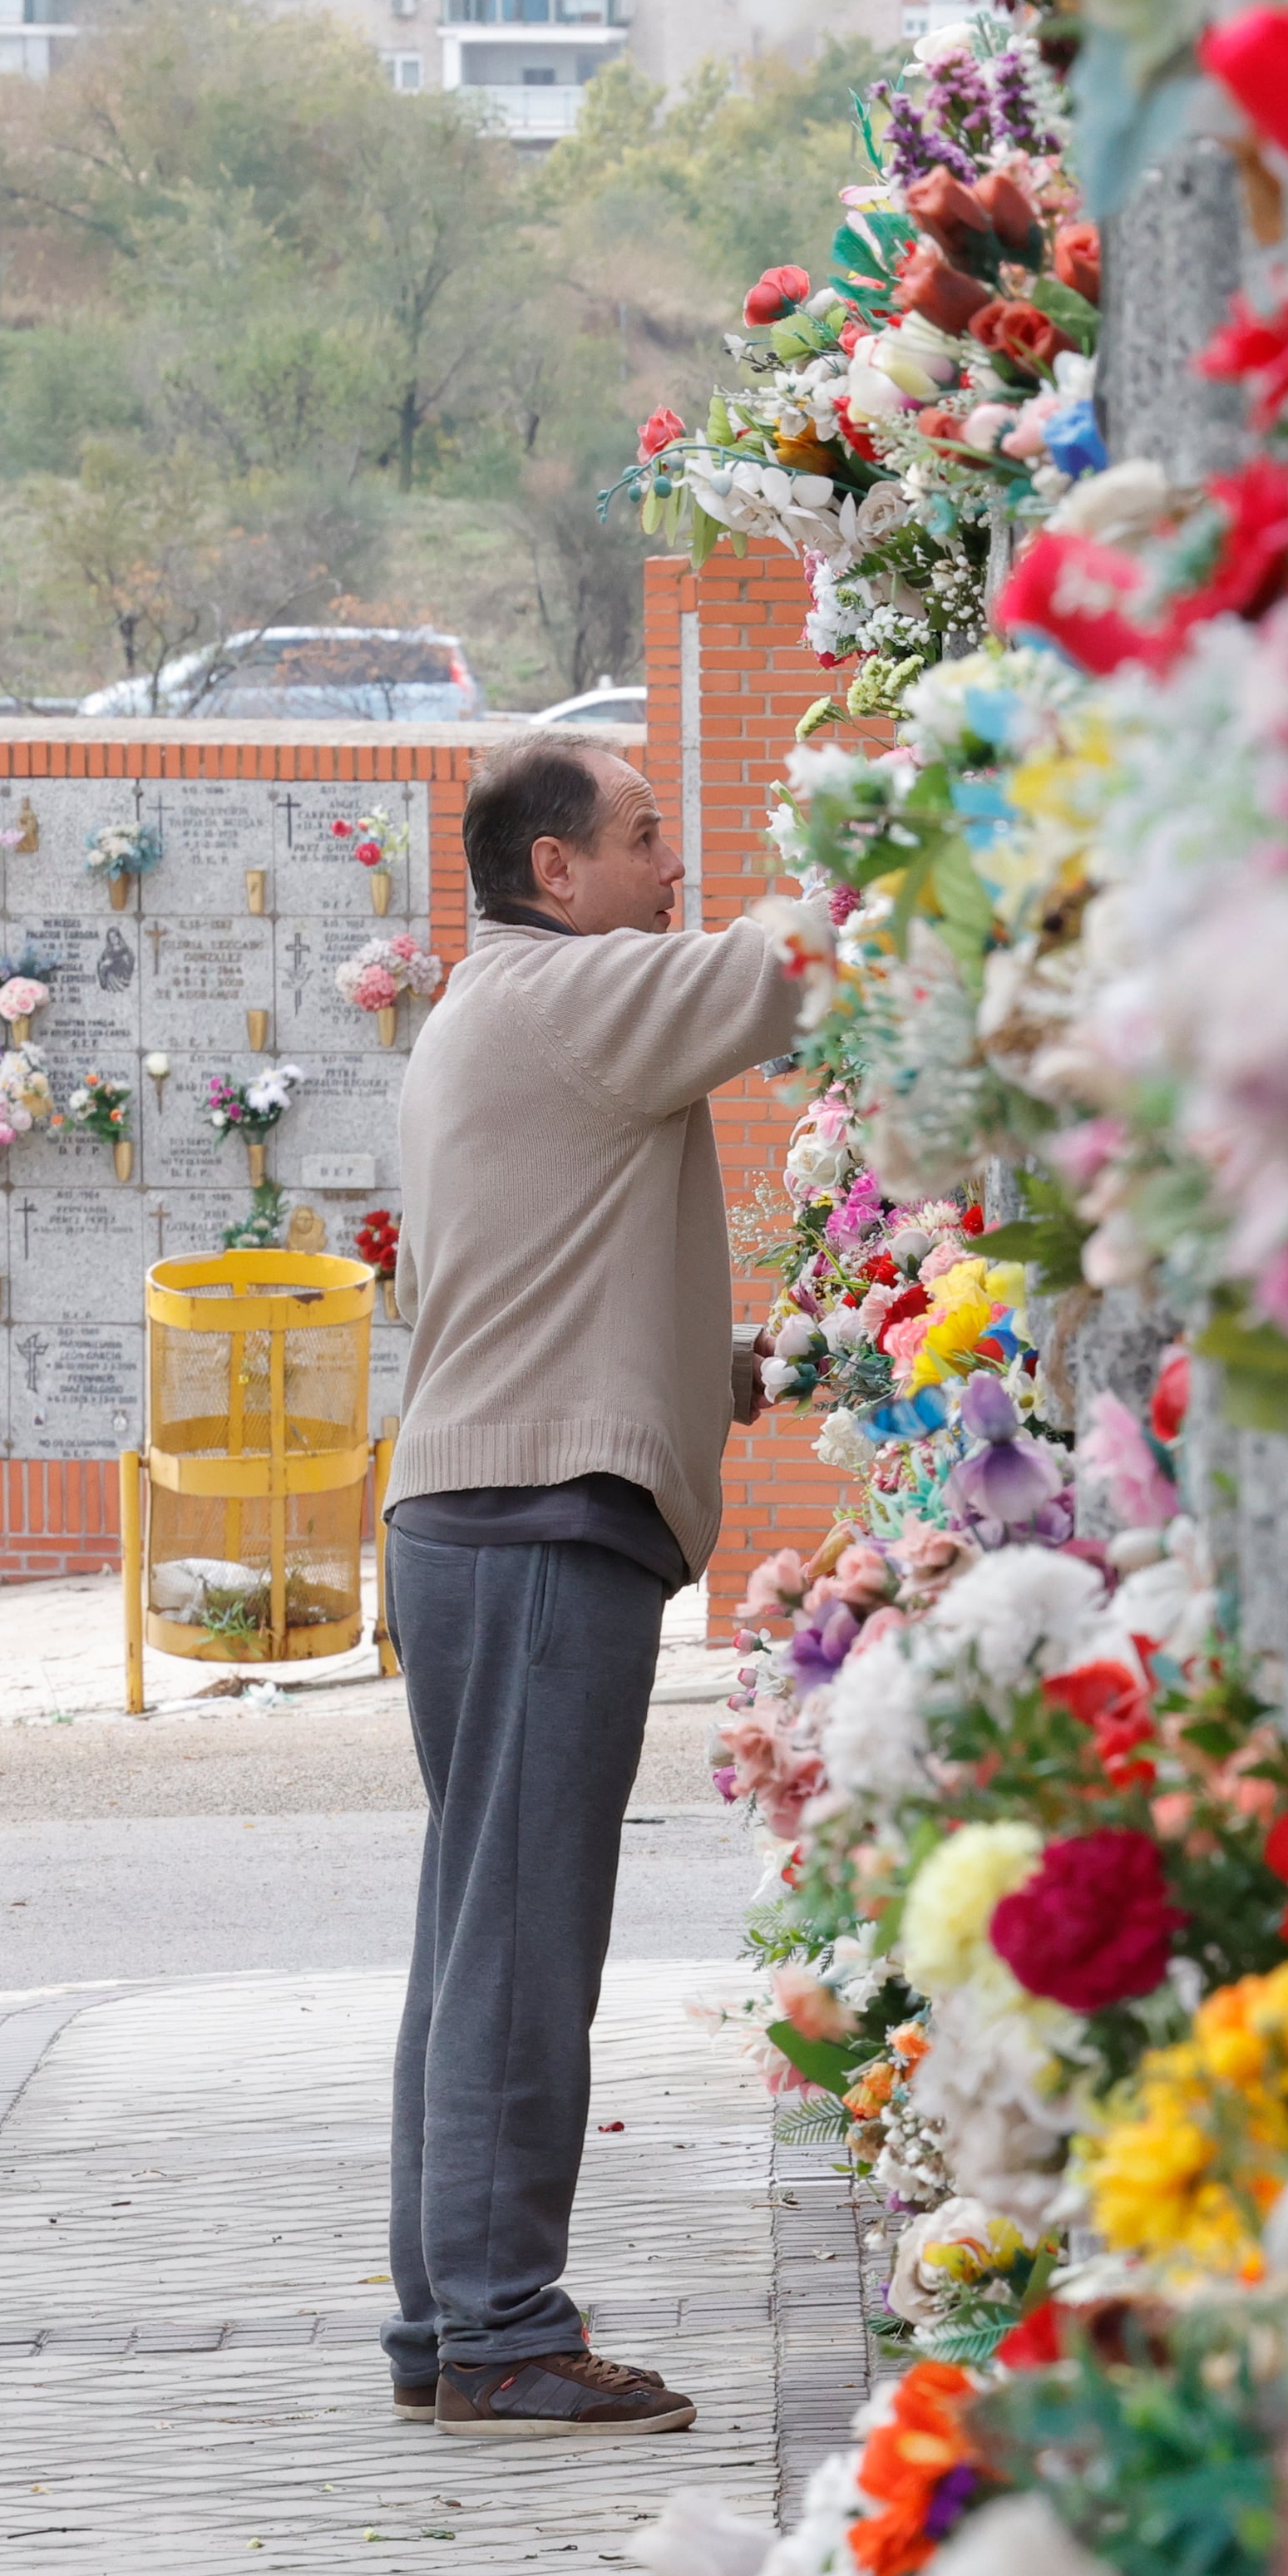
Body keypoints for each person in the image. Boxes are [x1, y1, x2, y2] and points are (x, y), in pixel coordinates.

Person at [380, 733, 803, 2439]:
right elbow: (782, 966)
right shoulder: (573, 991)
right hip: (541, 1519)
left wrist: (738, 1361)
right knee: (523, 1941)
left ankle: (447, 2315)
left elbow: (562, 1275)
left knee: (475, 1932)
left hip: (483, 1504)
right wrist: (916, 809)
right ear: (551, 871)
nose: (667, 867)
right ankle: (501, 2327)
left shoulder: (491, 1010)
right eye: (640, 838)